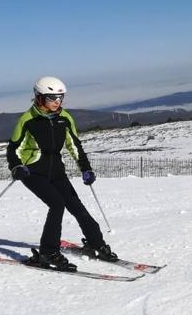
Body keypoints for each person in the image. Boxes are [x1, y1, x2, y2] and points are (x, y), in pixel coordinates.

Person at [6, 76, 117, 271]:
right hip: (32, 172)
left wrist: (86, 168)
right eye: (52, 98)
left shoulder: (64, 118)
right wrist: (16, 166)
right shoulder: (27, 120)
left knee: (75, 205)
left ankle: (96, 244)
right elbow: (14, 148)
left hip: (57, 171)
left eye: (60, 97)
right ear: (39, 98)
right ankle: (48, 252)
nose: (57, 102)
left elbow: (74, 145)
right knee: (57, 204)